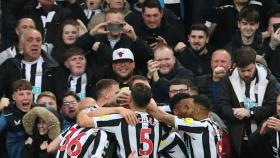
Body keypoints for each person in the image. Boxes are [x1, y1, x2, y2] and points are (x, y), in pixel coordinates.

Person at [217, 47, 279, 158]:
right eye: (242, 70)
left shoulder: (269, 79)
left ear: (255, 63)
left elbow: (273, 107)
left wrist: (249, 112)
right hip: (237, 138)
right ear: (235, 66)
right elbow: (222, 105)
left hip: (264, 138)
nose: (246, 74)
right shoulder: (228, 80)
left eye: (249, 70)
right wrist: (234, 113)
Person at [77, 83, 162, 158]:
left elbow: (84, 121)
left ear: (130, 99)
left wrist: (118, 109)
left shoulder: (120, 119)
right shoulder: (160, 122)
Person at [76, 9, 153, 74]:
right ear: (105, 23)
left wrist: (135, 38)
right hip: (99, 82)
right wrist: (91, 33)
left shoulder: (131, 40)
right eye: (111, 23)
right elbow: (74, 50)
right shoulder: (95, 38)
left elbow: (149, 55)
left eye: (118, 23)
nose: (115, 26)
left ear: (124, 23)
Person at [147, 93, 224, 158]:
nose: (186, 111)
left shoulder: (199, 126)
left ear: (196, 110)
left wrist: (144, 100)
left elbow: (162, 117)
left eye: (188, 107)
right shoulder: (215, 125)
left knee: (171, 138)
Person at [0, 29, 58, 100]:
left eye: (38, 40)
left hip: (44, 110)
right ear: (21, 45)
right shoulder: (9, 66)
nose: (35, 43)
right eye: (30, 40)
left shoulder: (53, 67)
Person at [0, 80, 34, 158]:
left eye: (28, 94)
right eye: (21, 94)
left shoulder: (40, 110)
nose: (26, 97)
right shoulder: (7, 115)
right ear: (14, 97)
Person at [262, 9, 280, 83]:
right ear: (268, 28)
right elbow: (259, 64)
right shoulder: (261, 44)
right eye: (274, 26)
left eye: (279, 26)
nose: (277, 30)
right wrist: (271, 46)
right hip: (268, 83)